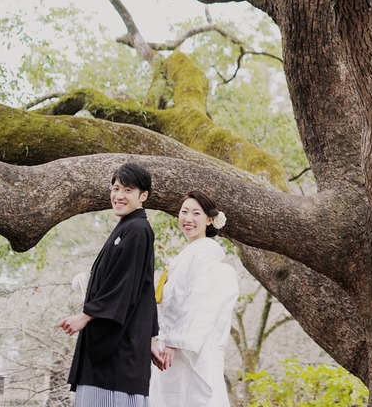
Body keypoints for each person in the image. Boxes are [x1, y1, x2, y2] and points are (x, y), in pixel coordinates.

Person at [59, 161, 161, 407]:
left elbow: (125, 285)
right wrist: (152, 336)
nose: (119, 196)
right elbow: (144, 289)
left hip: (120, 346)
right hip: (119, 340)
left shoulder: (137, 229)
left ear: (143, 196)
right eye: (116, 188)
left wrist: (86, 316)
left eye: (127, 190)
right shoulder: (127, 227)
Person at [150, 190, 239, 407]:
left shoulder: (205, 253)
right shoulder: (188, 253)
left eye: (196, 213)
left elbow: (199, 302)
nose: (188, 219)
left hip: (187, 348)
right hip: (171, 344)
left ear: (209, 219)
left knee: (189, 397)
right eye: (184, 212)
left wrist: (175, 342)